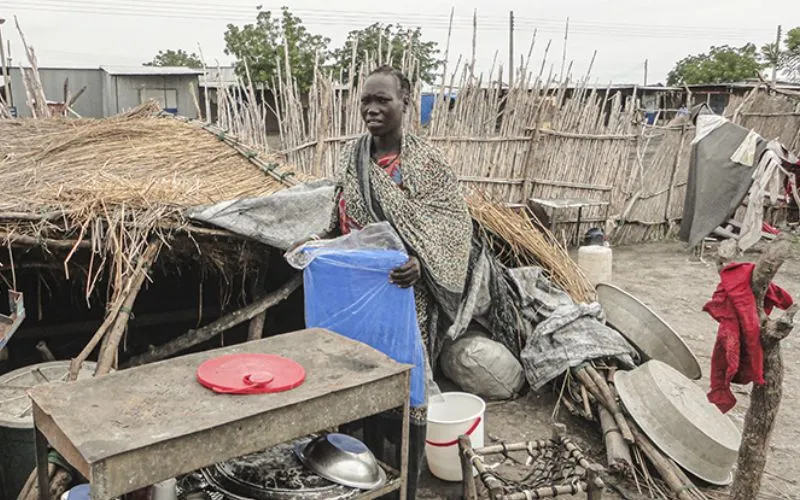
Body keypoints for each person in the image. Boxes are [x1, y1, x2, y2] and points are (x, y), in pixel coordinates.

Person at [332, 66, 474, 498]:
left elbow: (453, 227)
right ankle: (362, 477)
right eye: (366, 100)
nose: (372, 109)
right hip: (358, 293)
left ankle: (405, 486)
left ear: (406, 102)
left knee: (406, 388)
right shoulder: (352, 156)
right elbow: (340, 212)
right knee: (360, 386)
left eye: (383, 100)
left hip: (406, 298)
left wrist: (420, 264)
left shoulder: (426, 163)